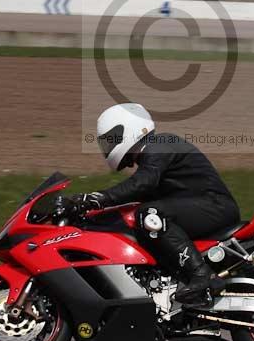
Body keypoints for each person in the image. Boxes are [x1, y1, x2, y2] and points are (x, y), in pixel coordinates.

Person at [77, 103, 240, 306]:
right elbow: (136, 194)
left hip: (215, 207)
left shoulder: (160, 145)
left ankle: (202, 275)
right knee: (141, 218)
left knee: (149, 214)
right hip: (202, 207)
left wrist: (97, 198)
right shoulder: (151, 156)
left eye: (112, 139)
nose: (109, 146)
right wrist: (94, 216)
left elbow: (142, 183)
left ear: (128, 128)